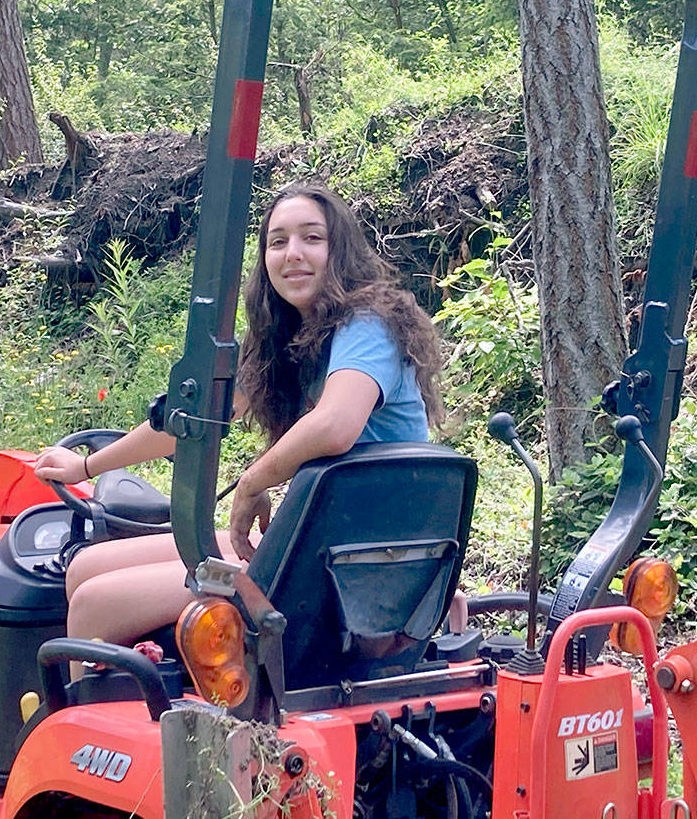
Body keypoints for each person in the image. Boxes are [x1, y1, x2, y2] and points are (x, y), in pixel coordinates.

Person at [34, 184, 446, 647]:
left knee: (96, 603)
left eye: (312, 238)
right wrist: (88, 465)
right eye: (278, 241)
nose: (293, 253)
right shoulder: (286, 338)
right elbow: (192, 423)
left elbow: (335, 425)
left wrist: (252, 482)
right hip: (315, 538)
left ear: (340, 250)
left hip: (362, 559)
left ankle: (94, 712)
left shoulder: (367, 324)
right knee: (86, 567)